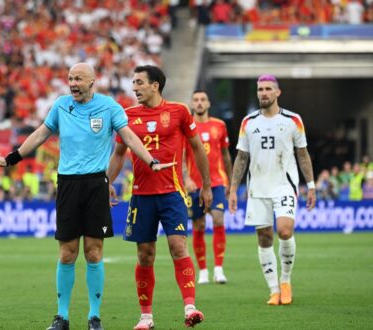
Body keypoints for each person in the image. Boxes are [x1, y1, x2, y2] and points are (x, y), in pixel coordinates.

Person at [0, 63, 172, 330]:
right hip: (68, 184)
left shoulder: (109, 107)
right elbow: (40, 134)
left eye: (78, 79)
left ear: (92, 82)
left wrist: (151, 161)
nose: (73, 83)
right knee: (67, 253)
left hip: (96, 184)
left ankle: (94, 318)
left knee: (94, 253)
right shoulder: (61, 105)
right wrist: (11, 158)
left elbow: (128, 138)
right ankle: (61, 317)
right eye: (70, 78)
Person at [107, 65, 213, 329]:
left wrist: (206, 185)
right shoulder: (127, 116)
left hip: (173, 194)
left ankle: (190, 307)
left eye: (139, 82)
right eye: (133, 82)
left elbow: (198, 148)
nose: (134, 87)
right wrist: (106, 182)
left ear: (155, 85)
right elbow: (119, 154)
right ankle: (146, 317)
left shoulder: (178, 112)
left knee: (178, 246)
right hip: (141, 196)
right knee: (145, 254)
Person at [229, 74, 316, 306]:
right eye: (260, 89)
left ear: (278, 92)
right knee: (264, 237)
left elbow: (303, 154)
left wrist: (312, 185)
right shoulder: (248, 122)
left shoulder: (293, 120)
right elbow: (241, 157)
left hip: (284, 185)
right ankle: (273, 289)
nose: (263, 93)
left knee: (285, 231)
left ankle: (286, 281)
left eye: (268, 89)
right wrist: (233, 188)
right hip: (257, 188)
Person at [184, 90, 232, 284]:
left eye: (203, 99)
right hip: (194, 185)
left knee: (219, 219)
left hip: (217, 183)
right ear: (192, 104)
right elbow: (179, 156)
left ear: (209, 103)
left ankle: (218, 269)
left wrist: (231, 181)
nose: (199, 103)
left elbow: (226, 155)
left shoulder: (219, 125)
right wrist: (186, 177)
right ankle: (203, 270)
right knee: (199, 224)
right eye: (196, 100)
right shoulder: (186, 126)